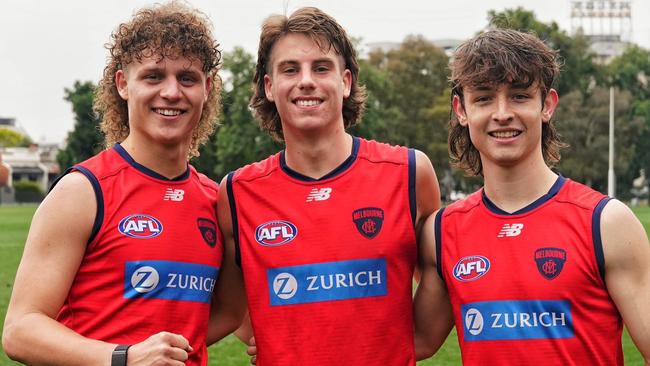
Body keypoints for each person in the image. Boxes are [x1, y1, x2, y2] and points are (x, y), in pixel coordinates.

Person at [2, 2, 243, 365]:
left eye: (188, 78)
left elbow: (228, 311)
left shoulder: (215, 199)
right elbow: (20, 330)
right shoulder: (83, 191)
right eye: (153, 76)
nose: (172, 92)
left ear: (207, 89)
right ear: (123, 84)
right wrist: (124, 357)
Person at [217, 6, 450, 365]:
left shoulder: (410, 172)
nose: (306, 80)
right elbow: (230, 309)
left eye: (321, 68)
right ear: (270, 86)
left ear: (345, 82)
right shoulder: (236, 192)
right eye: (290, 69)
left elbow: (441, 286)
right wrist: (274, 335)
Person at [414, 28, 650, 364]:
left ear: (547, 105)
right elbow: (409, 342)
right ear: (461, 110)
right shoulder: (441, 233)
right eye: (483, 98)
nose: (502, 113)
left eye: (520, 96)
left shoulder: (606, 223)